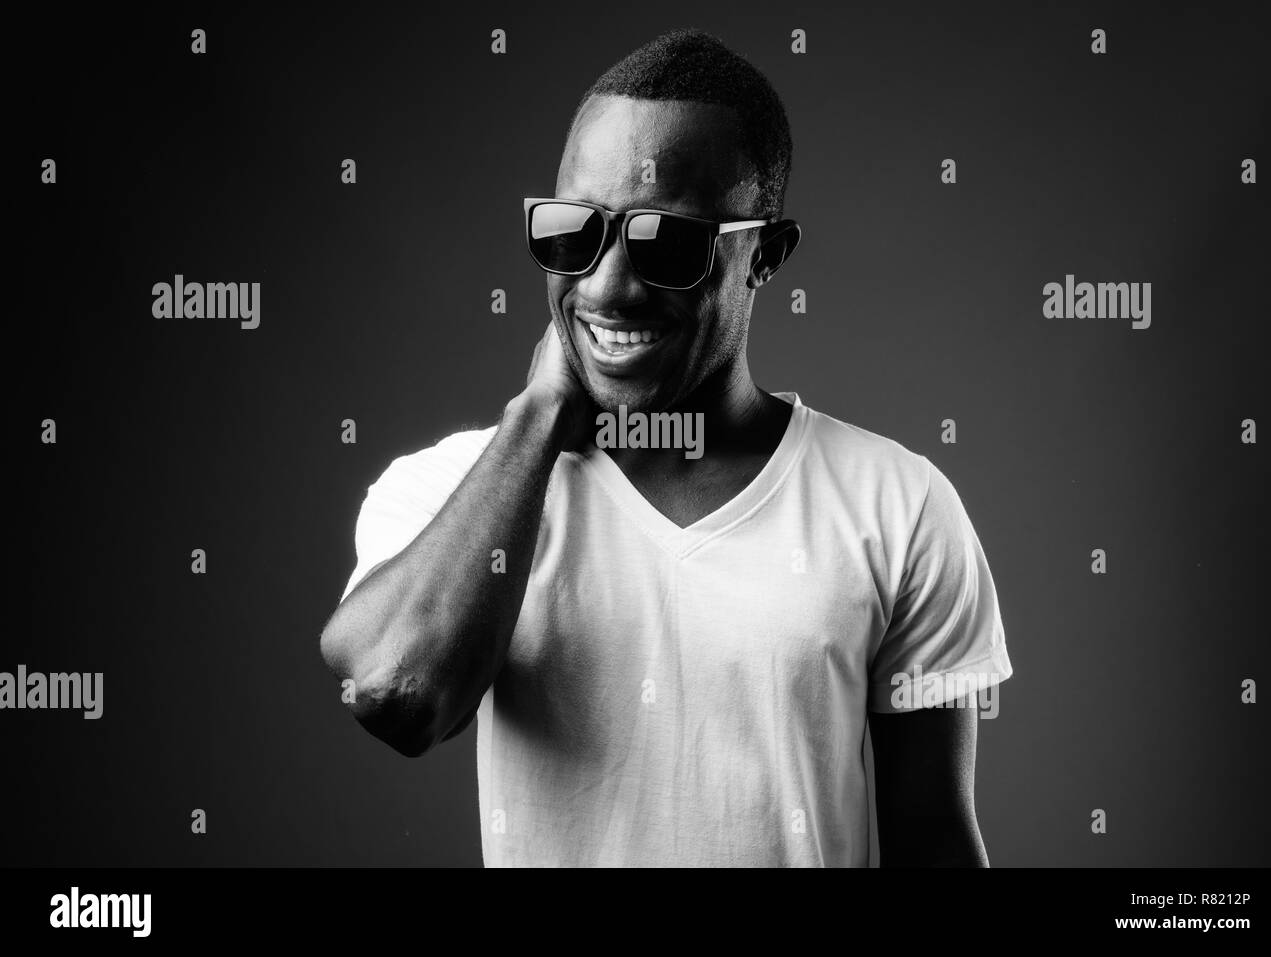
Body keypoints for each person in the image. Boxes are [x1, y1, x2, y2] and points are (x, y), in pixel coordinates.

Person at [320, 28, 1013, 867]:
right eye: (573, 232)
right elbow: (399, 692)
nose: (607, 284)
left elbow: (932, 838)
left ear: (764, 254)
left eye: (668, 242)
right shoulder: (446, 491)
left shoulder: (898, 507)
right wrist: (539, 414)